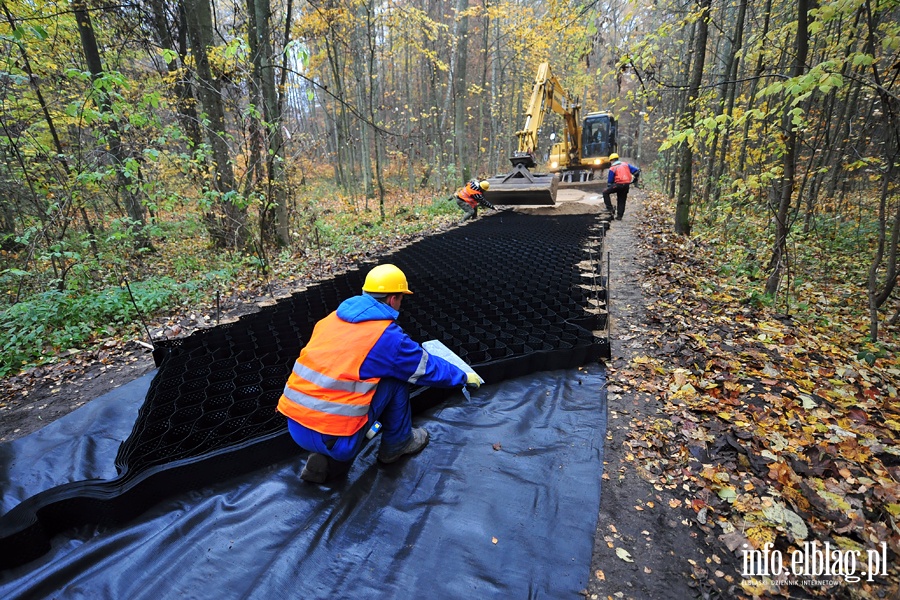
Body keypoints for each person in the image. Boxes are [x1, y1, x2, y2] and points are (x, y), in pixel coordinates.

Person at [277, 263, 482, 483]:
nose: (401, 304)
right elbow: (424, 368)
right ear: (393, 299)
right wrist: (462, 375)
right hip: (336, 437)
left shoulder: (331, 320)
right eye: (401, 299)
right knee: (396, 378)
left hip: (296, 428)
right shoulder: (386, 337)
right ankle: (398, 445)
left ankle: (324, 460)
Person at [602, 153, 641, 220]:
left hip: (618, 185)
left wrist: (609, 187)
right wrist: (635, 179)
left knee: (605, 192)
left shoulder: (612, 168)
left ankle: (609, 208)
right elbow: (637, 171)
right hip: (626, 185)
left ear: (612, 160)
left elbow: (610, 181)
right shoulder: (626, 164)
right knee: (622, 200)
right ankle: (619, 216)